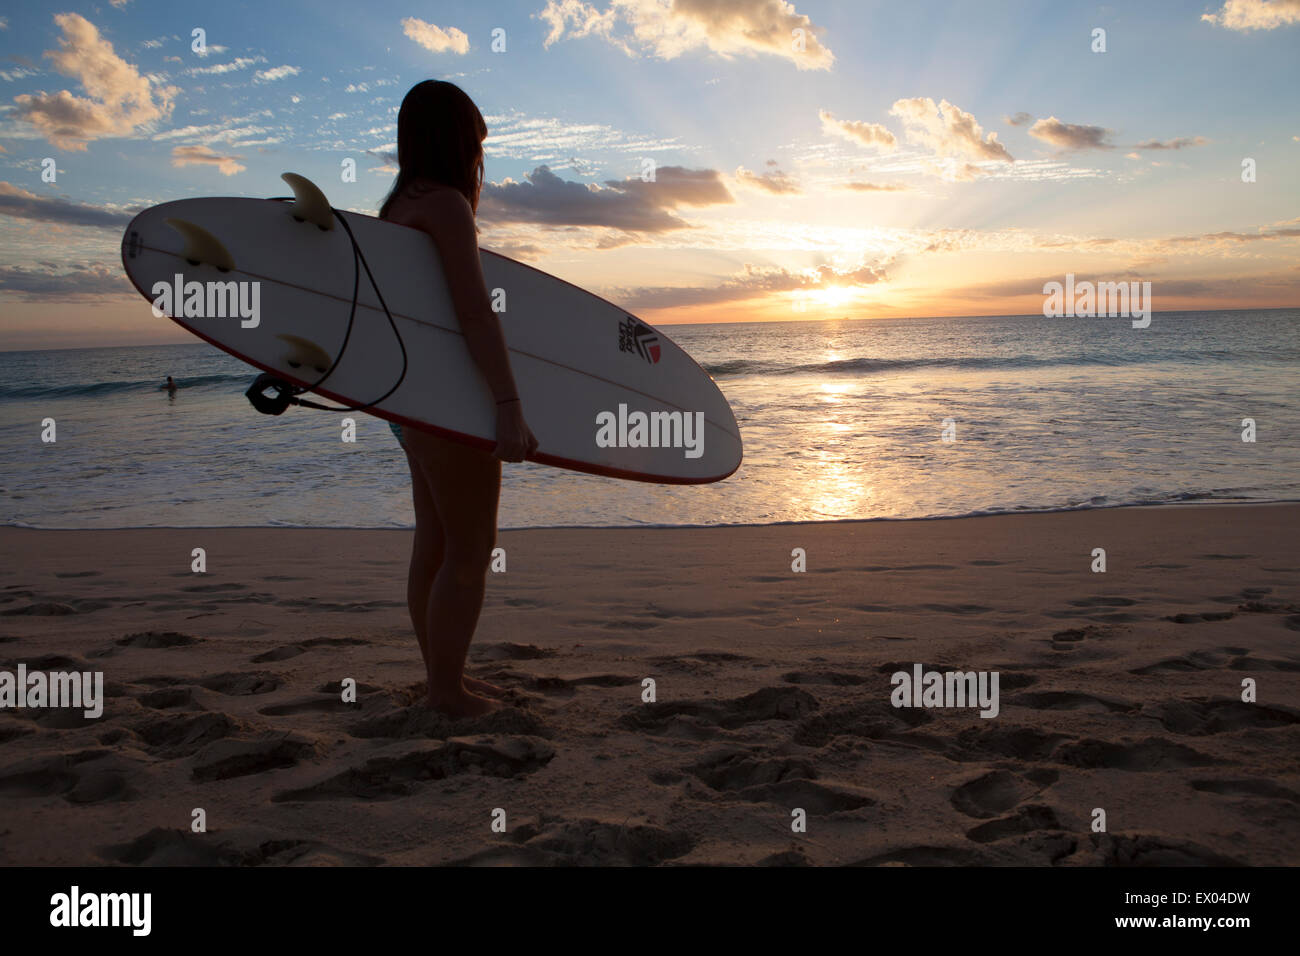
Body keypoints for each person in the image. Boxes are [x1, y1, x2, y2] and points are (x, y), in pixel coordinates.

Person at [378, 80, 539, 717]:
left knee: (435, 544)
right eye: (477, 140)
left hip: (411, 403)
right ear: (456, 140)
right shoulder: (445, 206)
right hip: (448, 403)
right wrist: (507, 404)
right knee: (471, 550)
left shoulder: (398, 206)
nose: (481, 155)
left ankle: (444, 677)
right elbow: (474, 314)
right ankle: (446, 692)